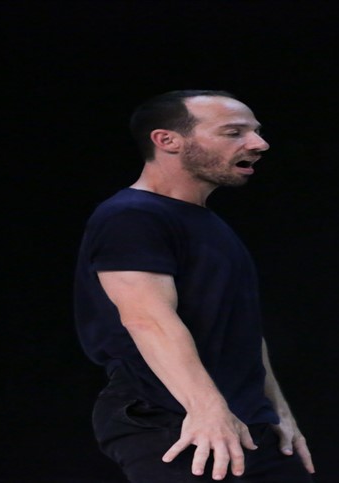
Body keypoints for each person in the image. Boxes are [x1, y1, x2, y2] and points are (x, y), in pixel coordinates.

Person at [75, 90, 315, 481]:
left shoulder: (208, 224)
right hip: (174, 418)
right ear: (167, 140)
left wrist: (278, 411)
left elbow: (242, 330)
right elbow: (148, 320)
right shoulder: (131, 216)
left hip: (245, 419)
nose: (259, 144)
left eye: (256, 131)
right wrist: (206, 409)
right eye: (234, 132)